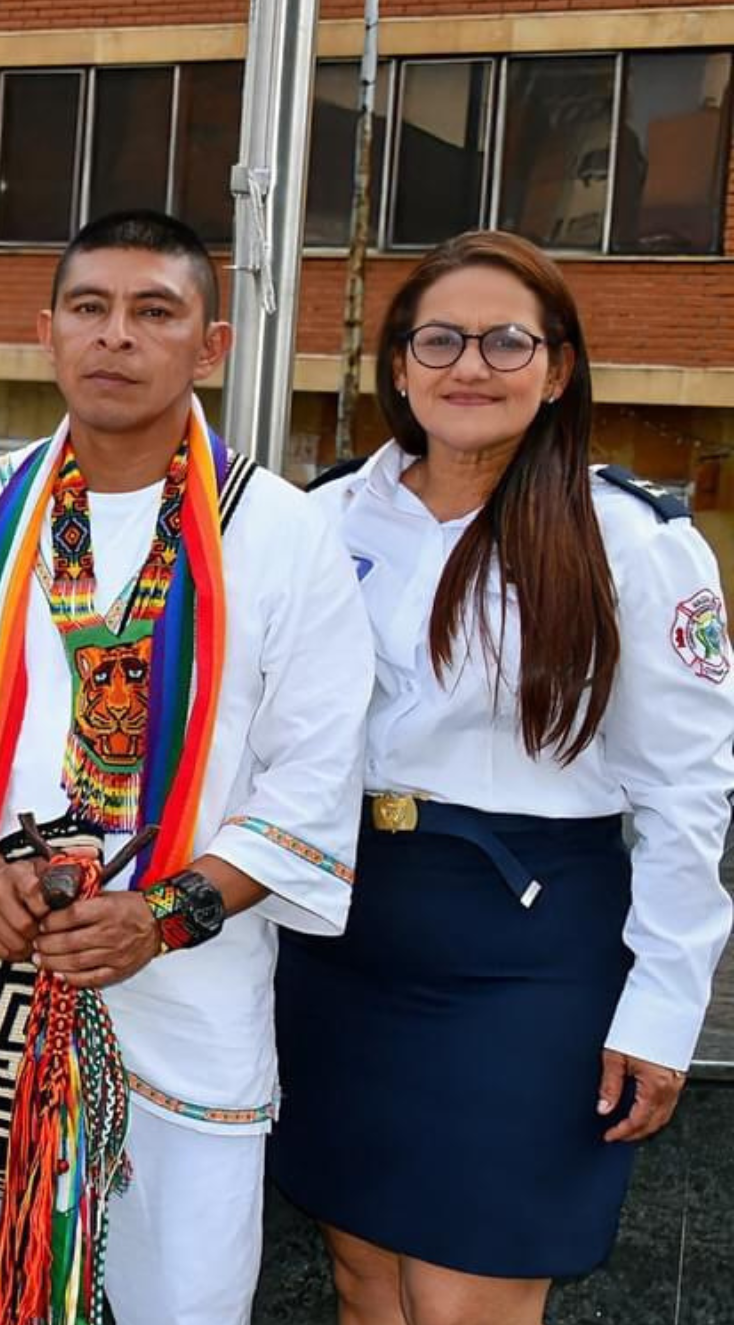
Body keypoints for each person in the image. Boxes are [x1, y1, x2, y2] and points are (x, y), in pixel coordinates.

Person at [0, 210, 372, 1325]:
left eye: (155, 311)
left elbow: (311, 779)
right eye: (90, 309)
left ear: (210, 345)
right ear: (47, 332)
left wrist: (164, 911)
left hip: (188, 992)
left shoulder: (283, 535)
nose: (116, 336)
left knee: (181, 1297)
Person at [272, 232, 734, 1325]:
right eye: (438, 338)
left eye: (504, 340)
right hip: (339, 935)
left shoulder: (630, 539)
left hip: (524, 956)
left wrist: (665, 1005)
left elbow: (687, 790)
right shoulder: (321, 519)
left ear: (557, 367)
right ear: (395, 364)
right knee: (365, 1281)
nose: (467, 365)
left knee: (464, 1295)